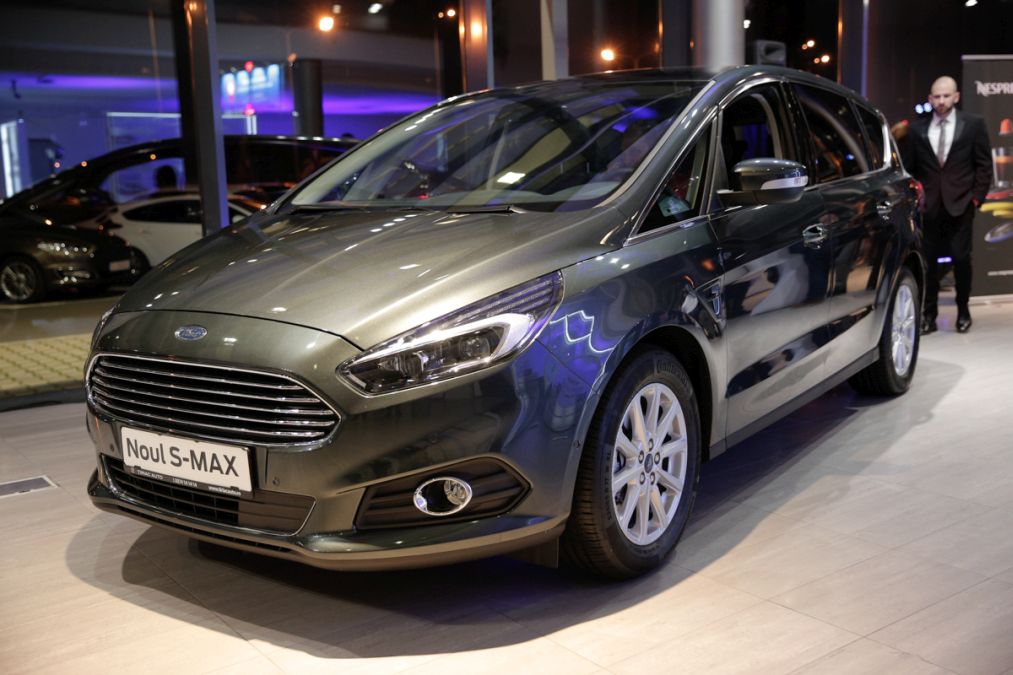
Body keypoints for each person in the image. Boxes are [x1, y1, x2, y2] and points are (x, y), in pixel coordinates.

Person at [902, 76, 992, 334]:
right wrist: (915, 199)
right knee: (928, 262)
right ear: (930, 99)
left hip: (961, 204)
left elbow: (984, 165)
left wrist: (976, 198)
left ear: (956, 96)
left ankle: (963, 310)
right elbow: (910, 168)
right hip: (928, 208)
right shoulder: (917, 130)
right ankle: (929, 315)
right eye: (937, 96)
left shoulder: (973, 124)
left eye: (946, 96)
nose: (941, 101)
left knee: (962, 259)